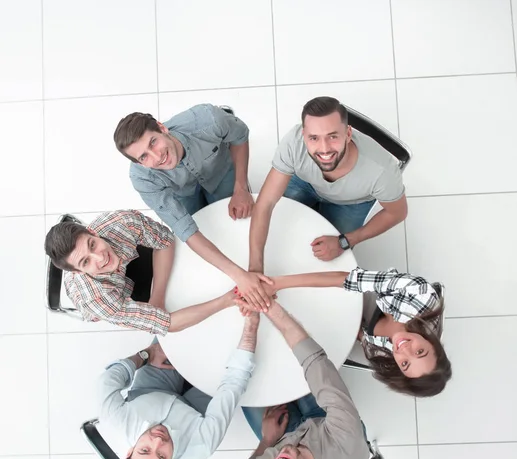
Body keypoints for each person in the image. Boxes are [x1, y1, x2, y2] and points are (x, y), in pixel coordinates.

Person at [114, 105, 272, 312]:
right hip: (183, 194)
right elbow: (186, 229)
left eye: (153, 142)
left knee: (236, 223)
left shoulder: (208, 120)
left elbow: (240, 136)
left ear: (162, 128)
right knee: (201, 229)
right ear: (139, 163)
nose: (157, 156)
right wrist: (239, 276)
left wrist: (241, 187)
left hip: (221, 174)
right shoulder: (142, 178)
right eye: (144, 157)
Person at [232, 300, 370, 459]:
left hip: (283, 438)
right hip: (328, 425)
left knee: (246, 389)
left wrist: (267, 441)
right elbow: (315, 361)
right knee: (302, 369)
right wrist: (269, 307)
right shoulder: (346, 442)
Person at [99, 315, 259, 459]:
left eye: (144, 450)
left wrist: (146, 355)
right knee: (228, 350)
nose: (158, 440)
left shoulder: (115, 420)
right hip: (196, 409)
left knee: (174, 324)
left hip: (152, 388)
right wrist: (250, 327)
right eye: (162, 456)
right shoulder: (201, 446)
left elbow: (109, 379)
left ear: (129, 452)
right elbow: (233, 382)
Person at [248, 96, 407, 275]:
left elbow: (397, 213)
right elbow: (265, 203)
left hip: (351, 202)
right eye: (314, 138)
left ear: (348, 134)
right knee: (276, 229)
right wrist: (255, 268)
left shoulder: (381, 171)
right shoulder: (293, 142)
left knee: (330, 262)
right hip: (306, 183)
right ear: (303, 136)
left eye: (332, 136)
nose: (324, 149)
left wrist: (345, 241)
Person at [236, 267, 452, 397]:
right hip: (370, 290)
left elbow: (366, 342)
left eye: (405, 363)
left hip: (356, 318)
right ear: (433, 343)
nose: (404, 350)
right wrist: (275, 285)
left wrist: (358, 333)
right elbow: (346, 279)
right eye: (420, 351)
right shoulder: (420, 294)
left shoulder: (388, 360)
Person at [44, 210, 235, 334]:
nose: (100, 258)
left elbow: (166, 240)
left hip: (128, 254)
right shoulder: (95, 300)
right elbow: (166, 323)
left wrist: (157, 296)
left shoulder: (123, 222)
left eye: (92, 244)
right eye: (86, 261)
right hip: (114, 293)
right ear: (78, 272)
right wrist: (226, 301)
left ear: (93, 232)